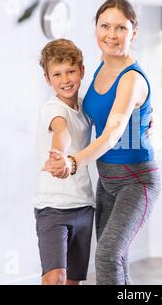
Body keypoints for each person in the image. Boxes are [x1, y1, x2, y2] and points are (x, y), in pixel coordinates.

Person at [43, 0, 161, 285]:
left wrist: (73, 161)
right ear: (95, 29)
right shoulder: (99, 68)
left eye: (120, 27)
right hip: (107, 180)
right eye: (105, 26)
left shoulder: (132, 78)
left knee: (107, 255)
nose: (111, 34)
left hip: (137, 180)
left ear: (134, 31)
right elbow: (94, 111)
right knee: (116, 259)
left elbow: (113, 131)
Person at [34, 39, 95, 285]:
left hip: (83, 206)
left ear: (81, 70)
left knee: (73, 281)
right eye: (57, 74)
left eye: (70, 71)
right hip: (53, 208)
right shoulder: (52, 108)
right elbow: (62, 131)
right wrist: (59, 154)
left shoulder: (85, 106)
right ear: (48, 79)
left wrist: (149, 114)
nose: (65, 79)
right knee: (55, 278)